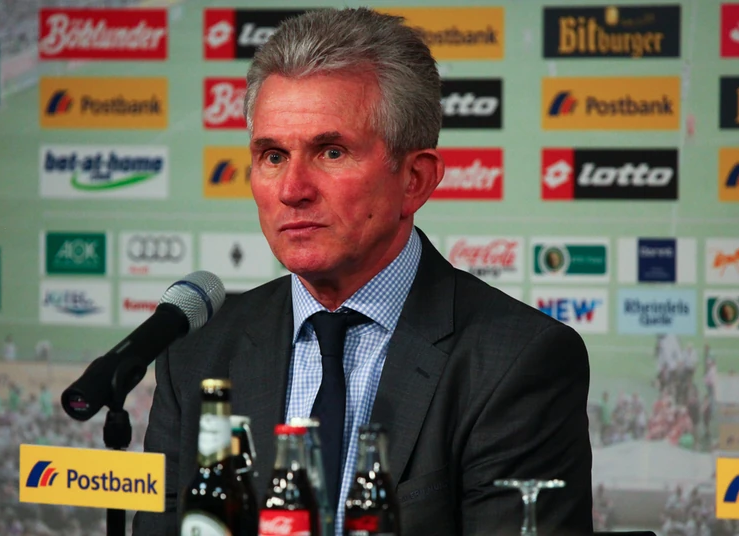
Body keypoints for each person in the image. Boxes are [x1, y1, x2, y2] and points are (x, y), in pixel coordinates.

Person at [133, 8, 592, 536]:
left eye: (331, 152)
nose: (292, 189)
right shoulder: (197, 354)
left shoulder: (516, 363)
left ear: (415, 180)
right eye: (273, 155)